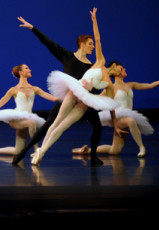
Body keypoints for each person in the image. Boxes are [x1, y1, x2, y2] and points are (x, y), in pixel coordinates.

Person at [11, 9, 122, 166]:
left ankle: (93, 156)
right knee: (51, 122)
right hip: (70, 96)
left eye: (93, 45)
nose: (92, 47)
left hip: (85, 102)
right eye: (89, 44)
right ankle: (26, 151)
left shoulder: (94, 65)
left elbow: (99, 91)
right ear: (82, 44)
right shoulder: (68, 57)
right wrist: (33, 28)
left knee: (97, 126)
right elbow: (49, 43)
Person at [73, 64, 159, 158]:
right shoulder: (111, 88)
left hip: (127, 115)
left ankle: (87, 150)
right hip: (118, 117)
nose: (124, 69)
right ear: (116, 73)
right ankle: (142, 147)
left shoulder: (131, 85)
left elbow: (150, 85)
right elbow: (96, 98)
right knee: (131, 121)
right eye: (121, 68)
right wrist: (83, 94)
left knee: (115, 151)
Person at [0, 64, 59, 157]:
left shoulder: (35, 89)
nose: (30, 70)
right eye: (27, 68)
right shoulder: (13, 90)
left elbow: (54, 99)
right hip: (16, 119)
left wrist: (66, 95)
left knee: (17, 151)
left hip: (27, 118)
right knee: (31, 123)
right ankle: (37, 150)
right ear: (21, 72)